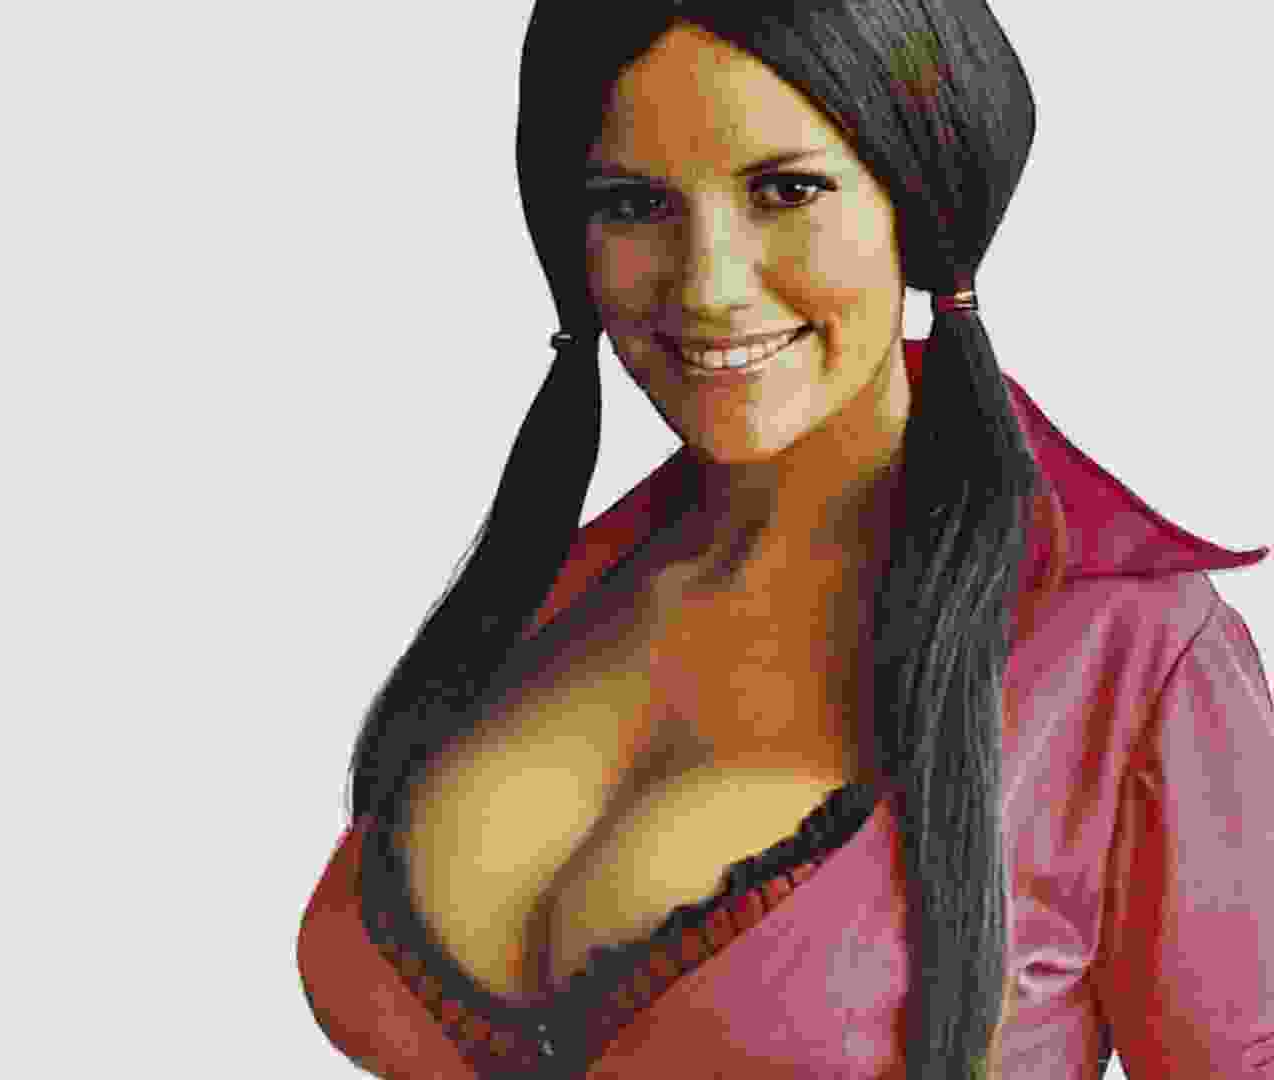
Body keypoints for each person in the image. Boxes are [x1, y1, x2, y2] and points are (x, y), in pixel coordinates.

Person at [296, 3, 1273, 1079]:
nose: (708, 285)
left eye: (786, 191)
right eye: (633, 204)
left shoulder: (1128, 655)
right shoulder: (548, 594)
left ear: (919, 204)